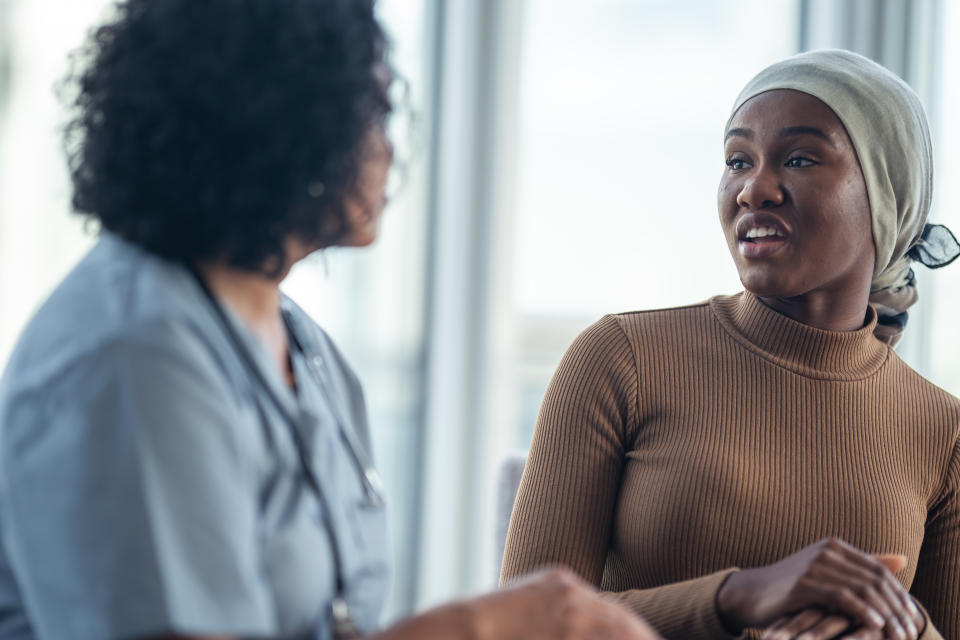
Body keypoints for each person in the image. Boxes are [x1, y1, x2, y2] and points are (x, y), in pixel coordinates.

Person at [0, 1, 660, 639]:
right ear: (277, 120)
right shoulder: (133, 358)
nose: (387, 152)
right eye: (370, 114)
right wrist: (482, 625)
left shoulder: (305, 350)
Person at [500, 49, 960, 640]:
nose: (754, 189)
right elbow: (520, 624)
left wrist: (901, 632)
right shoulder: (621, 359)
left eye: (798, 159)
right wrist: (738, 597)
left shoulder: (942, 431)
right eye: (738, 161)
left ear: (885, 196)